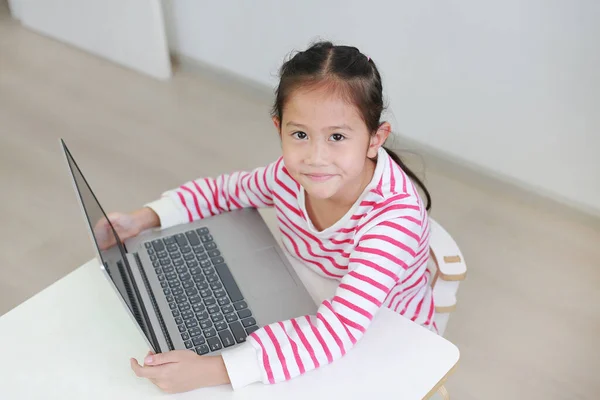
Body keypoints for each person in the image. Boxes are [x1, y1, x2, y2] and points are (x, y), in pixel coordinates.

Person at [96, 41, 435, 394]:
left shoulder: (393, 220)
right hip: (313, 295)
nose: (315, 157)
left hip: (388, 334)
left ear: (374, 139)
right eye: (300, 135)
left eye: (337, 137)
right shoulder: (288, 176)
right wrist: (144, 218)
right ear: (279, 128)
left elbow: (337, 331)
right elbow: (225, 191)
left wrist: (212, 370)